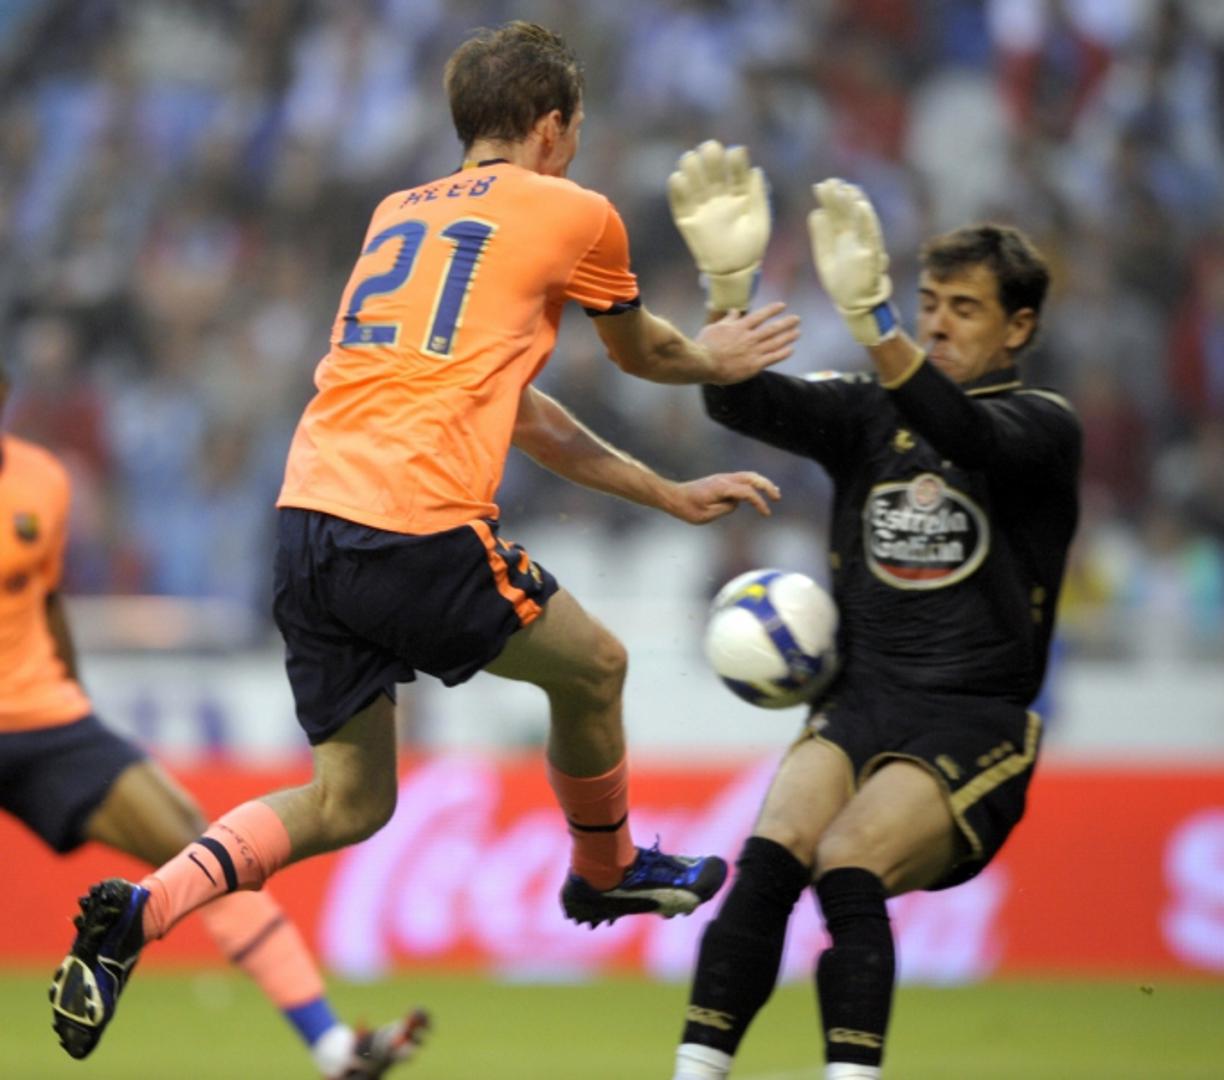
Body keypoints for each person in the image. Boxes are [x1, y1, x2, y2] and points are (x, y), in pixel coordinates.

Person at [50, 20, 801, 1058]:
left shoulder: (396, 213)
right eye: (576, 129)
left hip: (306, 523)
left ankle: (142, 912)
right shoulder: (573, 210)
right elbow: (643, 354)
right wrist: (716, 355)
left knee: (349, 801)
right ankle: (607, 869)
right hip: (414, 522)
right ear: (551, 126)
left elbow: (522, 414)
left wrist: (664, 494)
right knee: (595, 667)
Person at [667, 161, 1081, 1079]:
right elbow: (737, 399)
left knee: (848, 863)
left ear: (1018, 327)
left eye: (964, 309)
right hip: (859, 702)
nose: (938, 323)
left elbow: (966, 435)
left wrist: (877, 326)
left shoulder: (1045, 426)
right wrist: (726, 291)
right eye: (928, 303)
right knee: (768, 863)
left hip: (971, 721)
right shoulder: (868, 411)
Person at [0, 358, 429, 1076]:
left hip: (48, 717)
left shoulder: (42, 480)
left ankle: (333, 1049)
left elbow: (45, 602)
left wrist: (78, 707)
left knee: (197, 854)